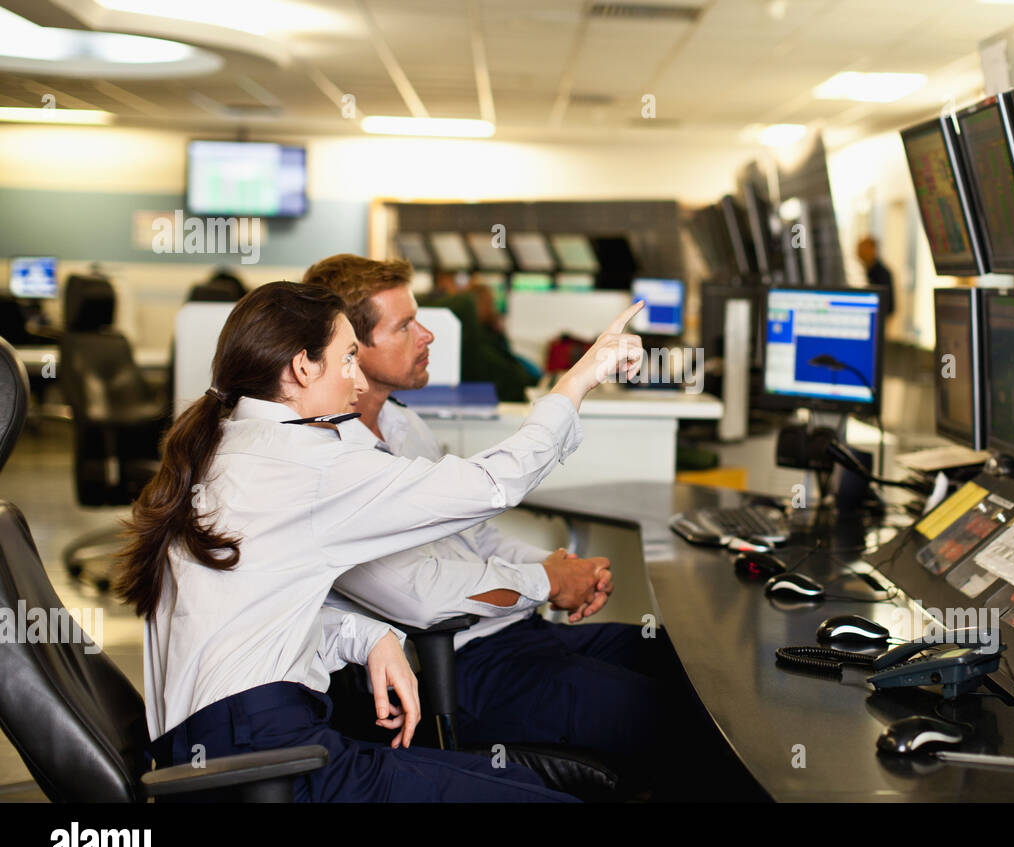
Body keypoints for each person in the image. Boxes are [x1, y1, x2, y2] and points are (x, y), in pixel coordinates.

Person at [118, 281, 645, 802]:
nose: (357, 380)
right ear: (304, 367)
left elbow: (245, 622)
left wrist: (364, 636)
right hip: (264, 752)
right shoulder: (307, 462)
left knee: (523, 785)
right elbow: (491, 485)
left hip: (230, 739)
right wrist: (578, 380)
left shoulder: (231, 445)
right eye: (348, 357)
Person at [303, 255, 750, 798]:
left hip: (516, 634)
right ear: (354, 347)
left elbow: (474, 535)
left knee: (696, 669)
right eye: (404, 326)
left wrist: (556, 568)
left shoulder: (404, 424)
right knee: (677, 720)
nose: (427, 336)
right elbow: (420, 596)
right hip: (460, 664)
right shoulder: (333, 465)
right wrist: (547, 583)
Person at [856, 235, 894, 320]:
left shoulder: (881, 273)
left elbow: (890, 307)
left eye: (862, 249)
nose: (858, 252)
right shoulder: (865, 270)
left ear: (872, 250)